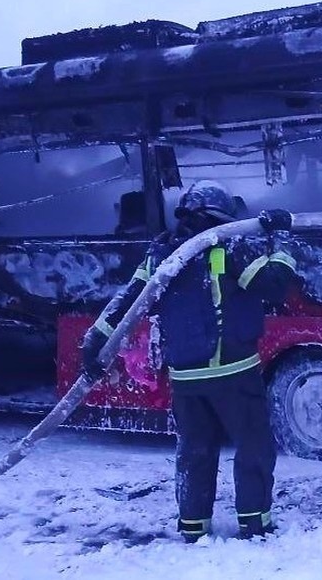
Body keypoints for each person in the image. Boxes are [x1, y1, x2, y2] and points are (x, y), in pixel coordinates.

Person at [81, 180, 297, 542]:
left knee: (194, 453)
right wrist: (282, 238)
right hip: (234, 374)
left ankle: (194, 526)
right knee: (253, 448)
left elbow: (128, 302)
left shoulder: (162, 254)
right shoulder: (227, 247)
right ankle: (255, 523)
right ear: (222, 214)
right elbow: (274, 285)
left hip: (185, 379)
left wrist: (95, 341)